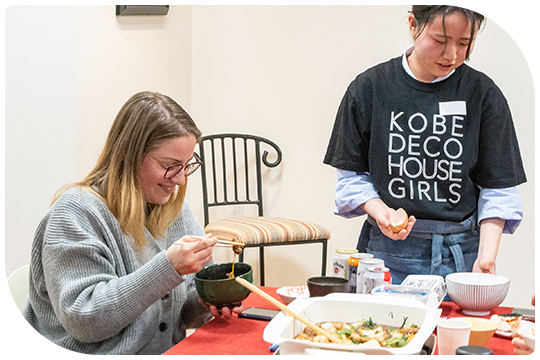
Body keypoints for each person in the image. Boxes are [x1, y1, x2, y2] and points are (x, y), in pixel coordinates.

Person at [18, 91, 242, 356]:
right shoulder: (76, 212)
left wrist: (208, 300)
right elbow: (86, 320)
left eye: (186, 165)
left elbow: (178, 316)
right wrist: (167, 268)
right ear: (130, 154)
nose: (181, 179)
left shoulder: (175, 210)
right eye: (170, 166)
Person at [323, 5, 526, 287]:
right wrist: (382, 212)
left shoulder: (483, 95)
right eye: (440, 41)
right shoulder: (369, 88)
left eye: (464, 43)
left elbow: (498, 191)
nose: (451, 55)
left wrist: (485, 260)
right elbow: (351, 179)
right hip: (385, 255)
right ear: (413, 25)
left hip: (462, 256)